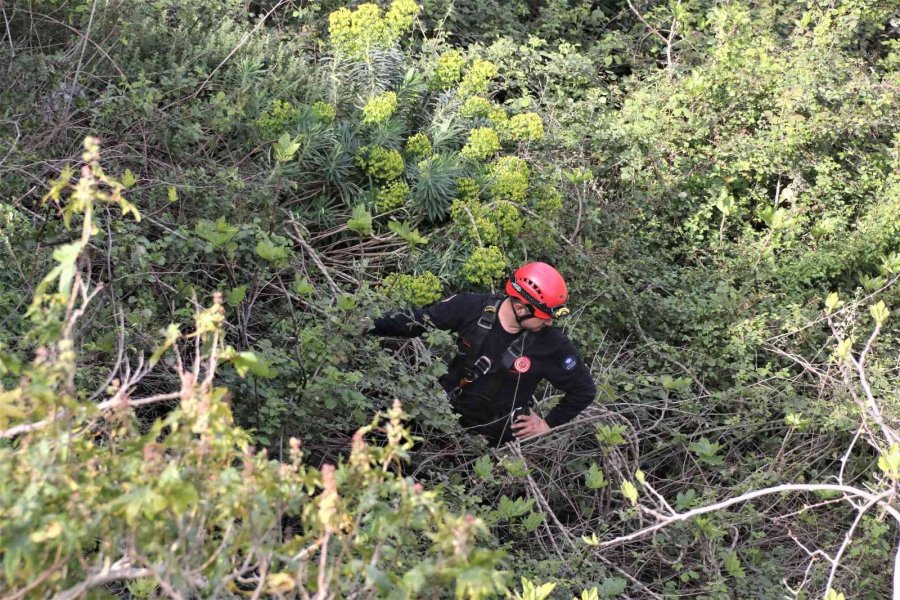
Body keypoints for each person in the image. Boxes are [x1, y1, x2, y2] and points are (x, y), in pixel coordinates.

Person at [371, 262, 596, 445]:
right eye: (544, 315)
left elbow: (584, 390)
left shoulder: (552, 343)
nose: (549, 321)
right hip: (439, 415)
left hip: (492, 441)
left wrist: (547, 423)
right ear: (521, 308)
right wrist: (367, 324)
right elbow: (415, 322)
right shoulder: (471, 308)